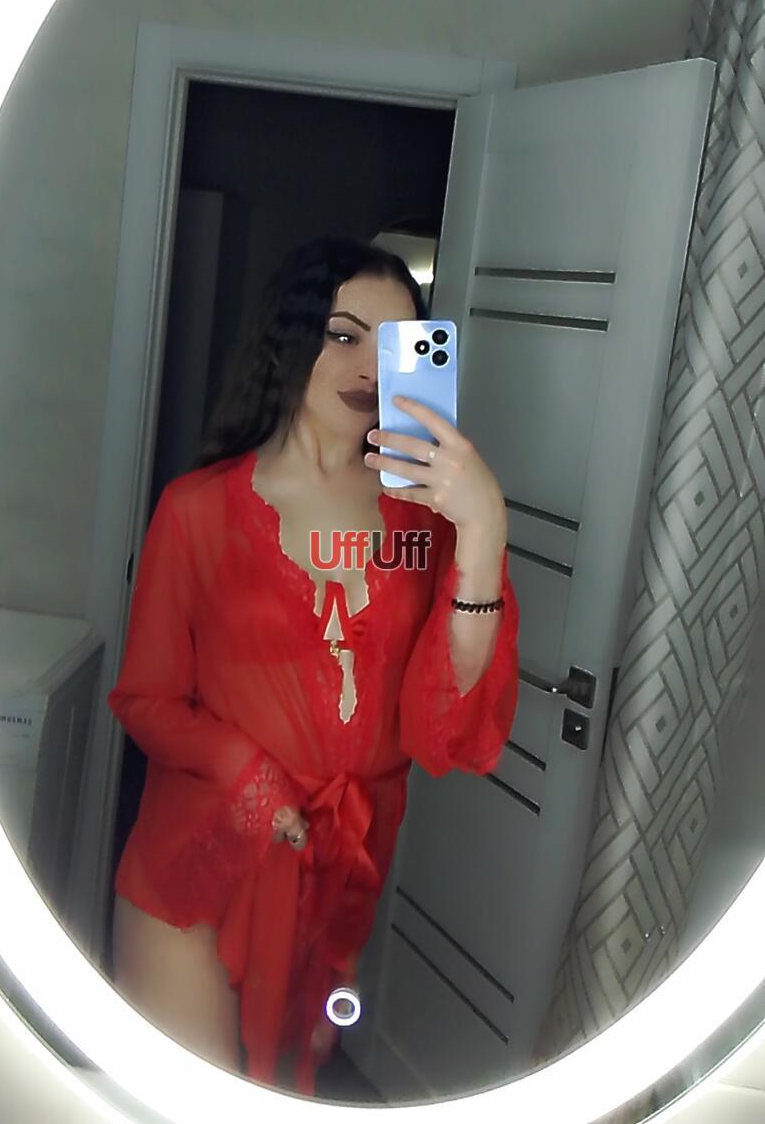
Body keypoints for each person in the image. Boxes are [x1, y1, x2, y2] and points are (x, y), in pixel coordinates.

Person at [107, 234, 519, 1096]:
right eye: (343, 334)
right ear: (287, 341)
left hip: (336, 872)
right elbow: (146, 697)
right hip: (205, 852)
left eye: (394, 343)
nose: (369, 365)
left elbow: (444, 725)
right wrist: (253, 777)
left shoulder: (426, 524)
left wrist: (482, 528)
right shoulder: (198, 510)